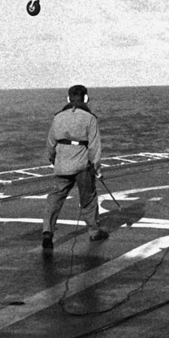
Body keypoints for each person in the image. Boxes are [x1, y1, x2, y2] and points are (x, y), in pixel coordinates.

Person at [41, 84, 108, 250]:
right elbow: (94, 147)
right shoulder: (90, 118)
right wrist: (96, 168)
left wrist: (53, 160)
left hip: (61, 164)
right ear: (85, 98)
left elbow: (50, 144)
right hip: (81, 165)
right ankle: (93, 231)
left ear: (68, 99)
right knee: (88, 197)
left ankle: (47, 232)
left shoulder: (58, 117)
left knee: (54, 199)